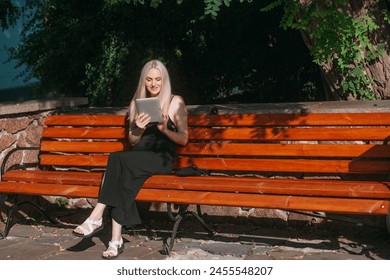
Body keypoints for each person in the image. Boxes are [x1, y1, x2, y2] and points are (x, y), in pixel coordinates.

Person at [72, 59, 189, 259]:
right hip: (137, 156)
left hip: (161, 157)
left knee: (117, 159)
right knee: (123, 179)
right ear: (143, 81)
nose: (154, 84)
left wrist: (163, 129)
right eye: (149, 80)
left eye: (158, 79)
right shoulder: (136, 103)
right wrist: (140, 128)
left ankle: (96, 215)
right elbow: (133, 141)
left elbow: (184, 138)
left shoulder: (175, 101)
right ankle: (115, 240)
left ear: (164, 80)